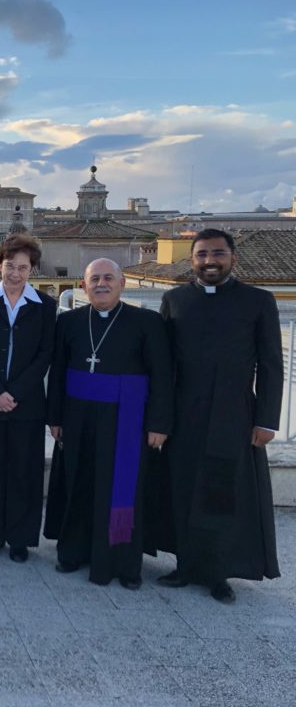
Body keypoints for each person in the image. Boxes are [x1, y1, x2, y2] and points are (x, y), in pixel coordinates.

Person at [157, 228, 282, 603]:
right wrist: (160, 420)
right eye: (202, 255)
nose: (210, 261)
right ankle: (184, 564)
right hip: (184, 414)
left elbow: (271, 364)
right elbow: (164, 368)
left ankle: (218, 573)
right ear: (191, 260)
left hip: (234, 415)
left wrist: (267, 420)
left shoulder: (258, 301)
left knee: (222, 492)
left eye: (218, 254)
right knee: (182, 488)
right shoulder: (175, 299)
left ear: (232, 258)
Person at [44, 258, 172, 589]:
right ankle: (73, 552)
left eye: (108, 278)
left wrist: (159, 423)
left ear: (122, 283)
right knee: (79, 483)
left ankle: (124, 563)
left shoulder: (146, 322)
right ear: (84, 286)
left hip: (126, 419)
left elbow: (162, 376)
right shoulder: (69, 321)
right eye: (94, 279)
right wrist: (54, 417)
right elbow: (57, 371)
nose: (101, 284)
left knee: (121, 489)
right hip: (77, 417)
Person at [0, 233, 56, 562]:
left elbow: (45, 354)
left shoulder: (46, 306)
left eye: (22, 267)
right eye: (9, 266)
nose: (15, 273)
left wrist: (14, 392)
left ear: (32, 269)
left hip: (27, 404)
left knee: (24, 472)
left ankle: (20, 538)